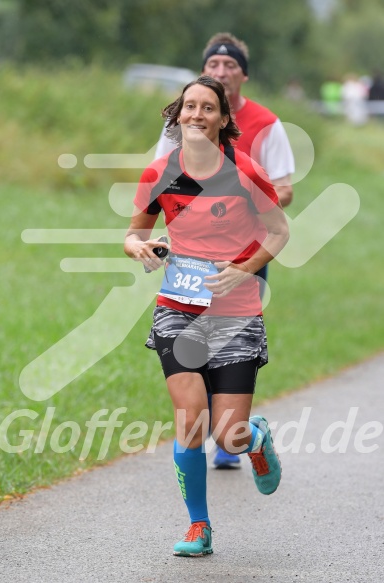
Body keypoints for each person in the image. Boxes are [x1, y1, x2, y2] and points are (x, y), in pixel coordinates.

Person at [124, 75, 289, 557]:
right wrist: (141, 248)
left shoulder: (246, 172)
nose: (197, 115)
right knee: (190, 420)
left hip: (235, 312)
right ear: (177, 116)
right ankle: (199, 526)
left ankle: (254, 438)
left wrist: (244, 269)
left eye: (207, 108)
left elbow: (279, 232)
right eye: (189, 107)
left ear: (222, 119)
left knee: (228, 437)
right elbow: (132, 235)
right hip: (177, 308)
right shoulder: (159, 173)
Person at [155, 32, 295, 469]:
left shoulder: (267, 125)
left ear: (242, 75)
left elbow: (283, 193)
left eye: (228, 65)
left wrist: (245, 201)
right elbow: (162, 183)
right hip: (189, 264)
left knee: (229, 346)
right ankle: (220, 439)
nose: (220, 70)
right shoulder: (180, 127)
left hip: (247, 251)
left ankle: (236, 436)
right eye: (212, 64)